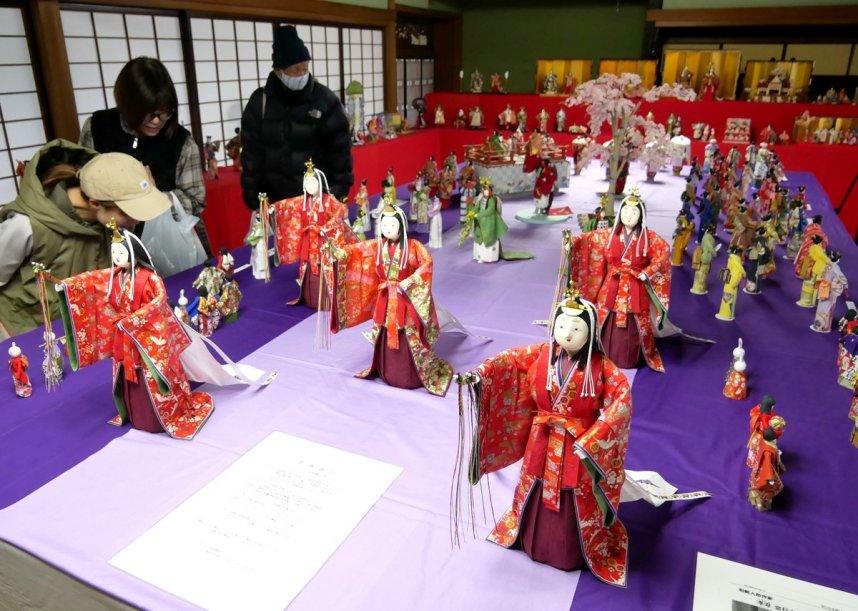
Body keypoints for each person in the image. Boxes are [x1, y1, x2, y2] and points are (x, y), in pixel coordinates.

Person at [453, 290, 631, 587]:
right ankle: (530, 538)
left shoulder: (603, 369)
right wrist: (481, 376)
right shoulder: (542, 355)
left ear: (590, 331)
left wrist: (594, 440)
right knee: (534, 481)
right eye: (562, 327)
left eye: (576, 329)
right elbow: (509, 363)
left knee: (574, 491)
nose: (568, 334)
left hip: (579, 444)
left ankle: (570, 551)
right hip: (543, 437)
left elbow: (621, 403)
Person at [56, 221, 215, 440]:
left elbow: (160, 301)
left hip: (145, 336)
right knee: (127, 375)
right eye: (114, 252)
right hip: (124, 335)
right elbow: (90, 282)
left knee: (150, 374)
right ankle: (135, 414)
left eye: (121, 252)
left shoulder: (150, 278)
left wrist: (136, 319)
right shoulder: (114, 276)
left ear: (133, 252)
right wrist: (66, 287)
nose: (117, 257)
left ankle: (159, 418)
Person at [0, 142, 170, 340]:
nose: (138, 220)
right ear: (95, 203)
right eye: (130, 212)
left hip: (80, 320)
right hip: (28, 325)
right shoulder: (26, 225)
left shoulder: (107, 221)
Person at [78, 56, 211, 257]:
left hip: (166, 246)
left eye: (164, 113)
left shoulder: (182, 142)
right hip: (107, 243)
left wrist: (154, 197)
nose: (157, 121)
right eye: (149, 114)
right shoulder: (97, 128)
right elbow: (81, 185)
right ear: (127, 105)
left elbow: (195, 200)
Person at [323, 197, 452, 396]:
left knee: (406, 333)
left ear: (401, 225)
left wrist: (408, 283)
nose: (387, 228)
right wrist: (338, 253)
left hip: (405, 299)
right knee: (384, 331)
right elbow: (357, 252)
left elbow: (426, 265)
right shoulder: (378, 246)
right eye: (384, 224)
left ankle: (409, 375)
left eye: (392, 224)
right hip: (385, 298)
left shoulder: (414, 246)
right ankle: (386, 371)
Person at [240, 25, 353, 211]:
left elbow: (340, 151)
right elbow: (251, 156)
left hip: (317, 202)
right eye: (295, 70)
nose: (301, 74)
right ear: (278, 71)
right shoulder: (260, 103)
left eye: (305, 68)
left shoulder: (324, 99)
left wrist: (338, 194)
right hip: (276, 205)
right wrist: (255, 199)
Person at [567, 191, 671, 371]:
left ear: (641, 216)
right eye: (625, 211)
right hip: (612, 284)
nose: (628, 216)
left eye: (634, 212)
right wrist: (572, 242)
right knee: (605, 318)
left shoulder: (649, 238)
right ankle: (602, 353)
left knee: (634, 323)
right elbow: (589, 240)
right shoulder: (609, 234)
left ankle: (629, 357)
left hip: (635, 285)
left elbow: (663, 254)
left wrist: (648, 271)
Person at [272, 160, 355, 309]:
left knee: (325, 268)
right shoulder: (302, 201)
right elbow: (286, 207)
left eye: (313, 182)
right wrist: (273, 209)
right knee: (309, 268)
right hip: (309, 242)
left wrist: (325, 228)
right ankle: (311, 299)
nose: (310, 186)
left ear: (320, 183)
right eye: (307, 183)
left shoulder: (328, 200)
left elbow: (339, 214)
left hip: (324, 241)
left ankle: (328, 300)